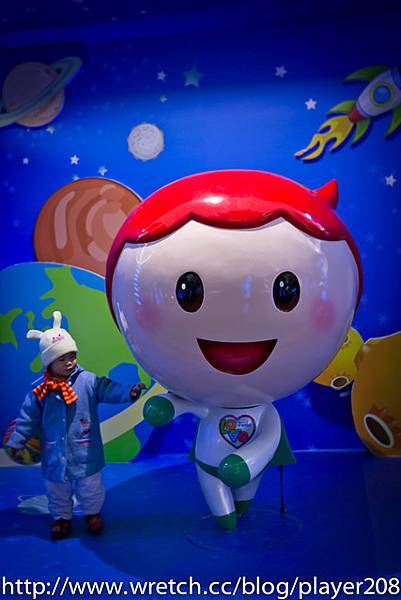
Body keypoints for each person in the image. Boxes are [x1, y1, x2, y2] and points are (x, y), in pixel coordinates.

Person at [6, 310, 145, 540]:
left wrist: (128, 392)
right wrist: (17, 440)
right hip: (54, 454)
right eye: (62, 358)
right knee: (56, 489)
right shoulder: (40, 391)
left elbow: (108, 388)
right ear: (49, 362)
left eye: (72, 356)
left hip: (85, 451)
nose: (69, 362)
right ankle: (62, 518)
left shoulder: (88, 381)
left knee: (91, 486)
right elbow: (27, 417)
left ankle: (92, 514)